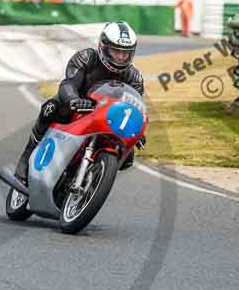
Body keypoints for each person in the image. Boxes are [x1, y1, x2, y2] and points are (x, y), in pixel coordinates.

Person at [14, 21, 145, 184]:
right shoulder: (86, 58)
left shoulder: (134, 78)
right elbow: (68, 83)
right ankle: (28, 154)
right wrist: (74, 100)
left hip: (107, 118)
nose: (120, 57)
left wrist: (137, 129)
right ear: (103, 46)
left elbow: (135, 107)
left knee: (128, 158)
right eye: (115, 51)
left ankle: (94, 178)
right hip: (78, 107)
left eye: (125, 53)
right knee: (50, 108)